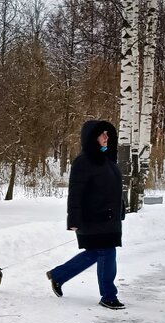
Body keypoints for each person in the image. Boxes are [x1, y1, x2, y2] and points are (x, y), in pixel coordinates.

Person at [46, 120, 127, 310]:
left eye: (108, 134)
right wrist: (73, 219)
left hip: (109, 219)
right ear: (92, 138)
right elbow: (76, 193)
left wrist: (120, 210)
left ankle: (59, 275)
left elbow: (113, 191)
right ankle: (109, 295)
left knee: (95, 253)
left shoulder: (108, 161)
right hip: (92, 218)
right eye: (102, 135)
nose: (106, 138)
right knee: (107, 252)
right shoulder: (83, 162)